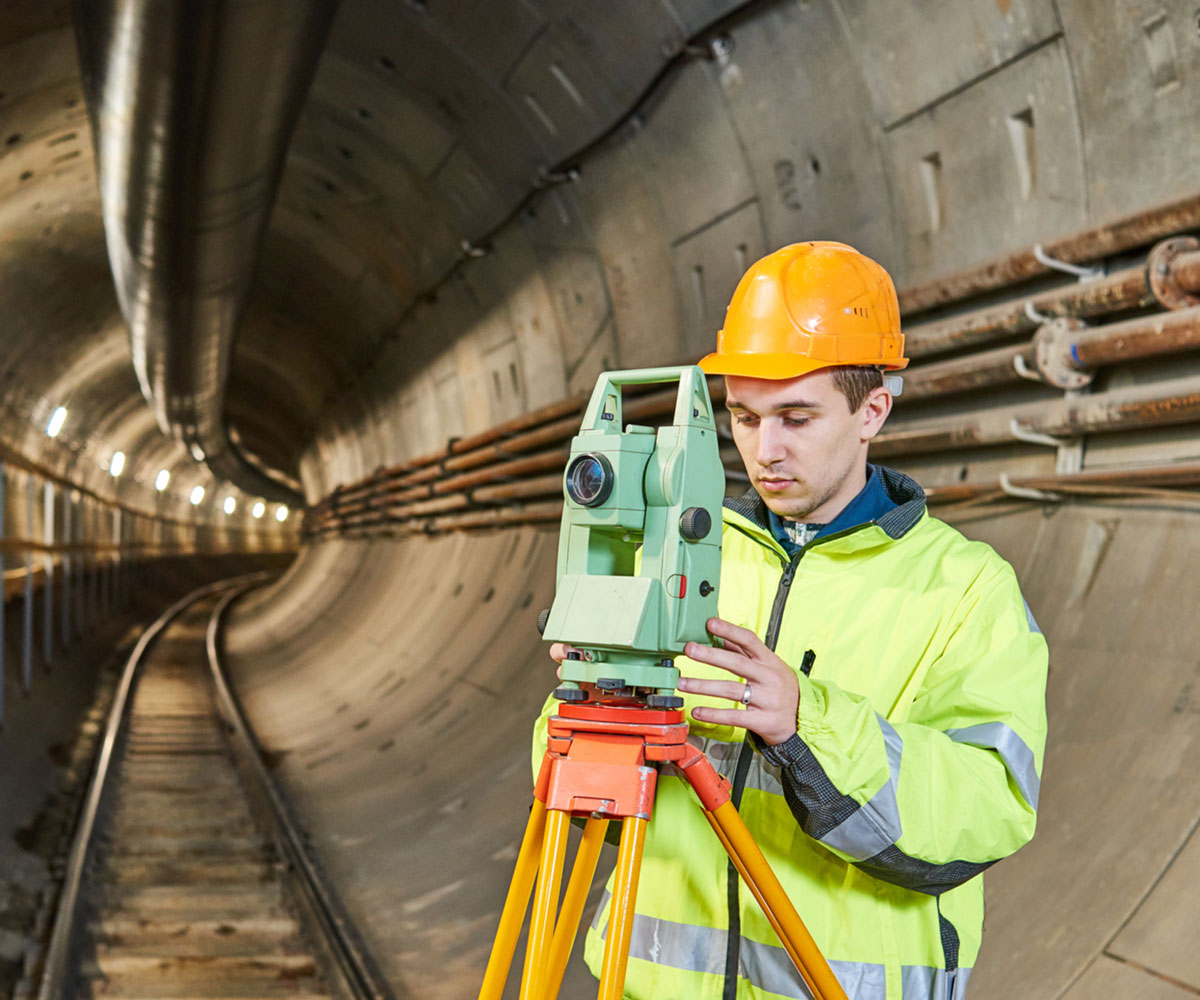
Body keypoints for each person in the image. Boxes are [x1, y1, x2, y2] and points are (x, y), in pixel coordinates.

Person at [536, 241, 1049, 1000]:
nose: (762, 451)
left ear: (872, 410)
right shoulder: (684, 552)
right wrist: (593, 701)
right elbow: (566, 790)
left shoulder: (967, 590)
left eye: (796, 417)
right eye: (743, 416)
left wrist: (805, 721)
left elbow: (985, 810)